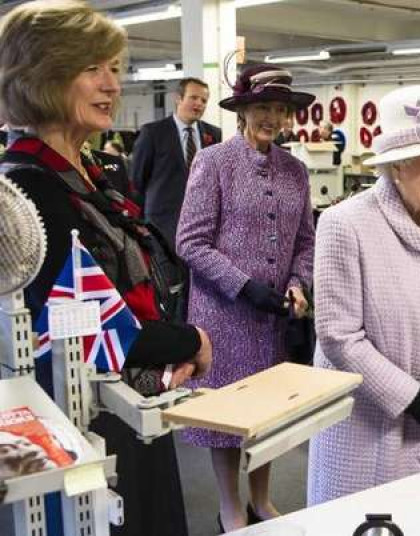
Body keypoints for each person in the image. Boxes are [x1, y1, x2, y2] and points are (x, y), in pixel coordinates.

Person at [0, 3, 213, 535]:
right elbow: (80, 323)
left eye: (115, 68)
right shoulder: (24, 189)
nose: (112, 84)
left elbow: (129, 290)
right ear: (42, 78)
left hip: (127, 407)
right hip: (75, 426)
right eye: (92, 68)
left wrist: (164, 361)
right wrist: (188, 341)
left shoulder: (94, 172)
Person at [307, 85, 420, 503]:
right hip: (367, 426)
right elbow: (338, 334)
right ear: (398, 165)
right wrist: (407, 396)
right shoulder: (344, 225)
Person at [175, 64, 316, 533]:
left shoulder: (296, 170)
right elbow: (190, 242)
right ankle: (229, 505)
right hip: (224, 314)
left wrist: (298, 283)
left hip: (272, 317)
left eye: (280, 109)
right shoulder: (213, 162)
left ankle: (261, 499)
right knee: (227, 413)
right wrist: (244, 285)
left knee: (269, 412)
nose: (272, 118)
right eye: (263, 108)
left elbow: (305, 242)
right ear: (243, 112)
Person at [131, 77, 221, 250]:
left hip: (204, 227)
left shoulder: (214, 135)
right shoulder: (153, 133)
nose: (199, 104)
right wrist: (139, 222)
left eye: (204, 100)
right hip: (162, 226)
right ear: (178, 98)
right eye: (193, 98)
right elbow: (137, 181)